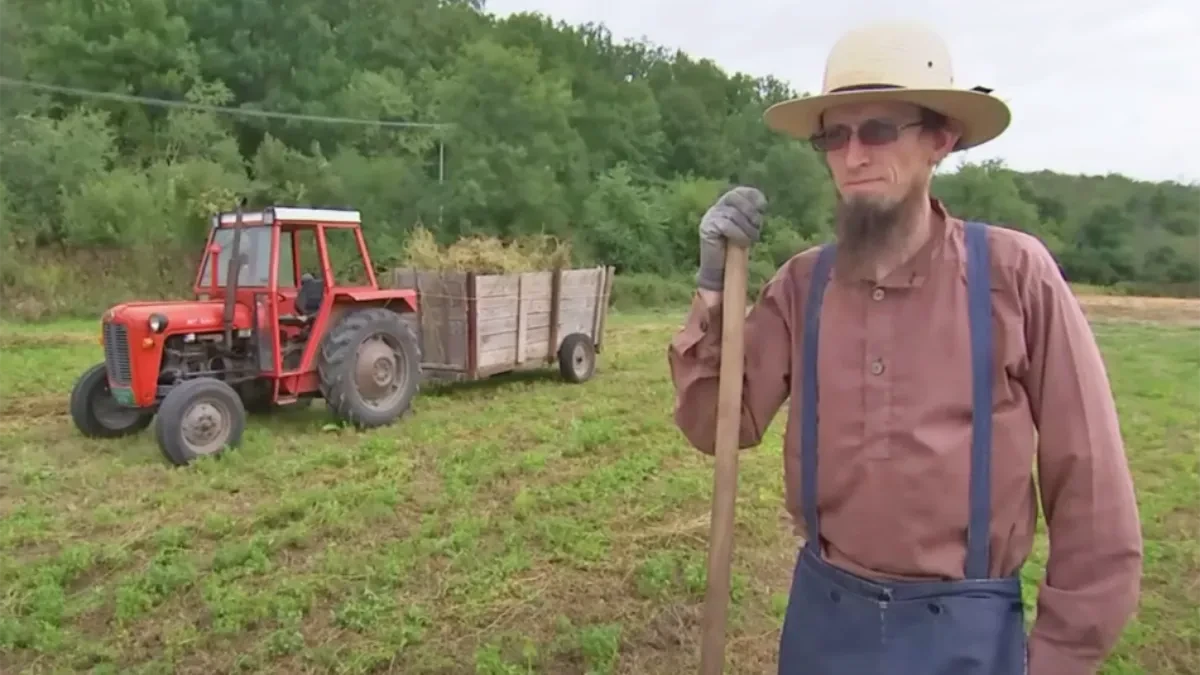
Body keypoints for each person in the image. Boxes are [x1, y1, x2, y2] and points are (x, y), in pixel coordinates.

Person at [667, 20, 1142, 675]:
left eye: (878, 130)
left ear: (940, 140)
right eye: (835, 136)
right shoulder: (804, 286)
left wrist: (1061, 655)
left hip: (967, 632)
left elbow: (1091, 487)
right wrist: (713, 286)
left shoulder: (1013, 275)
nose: (853, 156)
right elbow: (717, 424)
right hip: (824, 622)